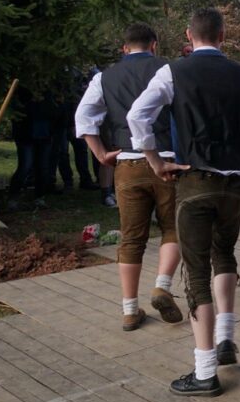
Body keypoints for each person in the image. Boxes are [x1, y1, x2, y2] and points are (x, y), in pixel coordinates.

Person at [127, 8, 240, 397]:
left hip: (194, 182)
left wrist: (154, 160)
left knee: (198, 273)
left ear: (189, 36)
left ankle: (205, 370)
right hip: (235, 185)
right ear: (223, 36)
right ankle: (225, 338)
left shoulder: (173, 72)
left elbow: (137, 116)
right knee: (224, 256)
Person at [75, 23, 183, 331]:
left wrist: (99, 153)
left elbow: (84, 117)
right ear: (155, 45)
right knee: (172, 228)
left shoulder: (104, 78)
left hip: (126, 163)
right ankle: (162, 284)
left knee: (132, 236)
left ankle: (129, 309)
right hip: (167, 159)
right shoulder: (170, 69)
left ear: (124, 48)